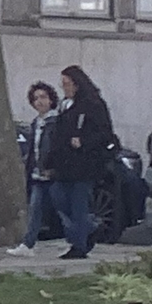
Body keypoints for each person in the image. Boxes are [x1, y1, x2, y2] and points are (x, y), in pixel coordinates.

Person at [43, 64, 115, 260]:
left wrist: (83, 141)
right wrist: (50, 163)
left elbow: (105, 132)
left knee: (78, 203)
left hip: (85, 164)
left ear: (77, 84)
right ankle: (88, 228)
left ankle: (79, 245)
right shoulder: (66, 105)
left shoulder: (93, 104)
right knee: (58, 195)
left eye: (67, 84)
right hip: (65, 164)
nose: (64, 88)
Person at [10, 81, 61, 255]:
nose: (39, 101)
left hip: (53, 176)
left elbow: (56, 149)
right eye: (36, 98)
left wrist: (53, 168)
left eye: (43, 97)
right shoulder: (36, 123)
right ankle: (27, 244)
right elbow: (34, 149)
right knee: (35, 210)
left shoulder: (56, 122)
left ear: (51, 99)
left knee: (64, 211)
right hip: (38, 175)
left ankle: (86, 233)